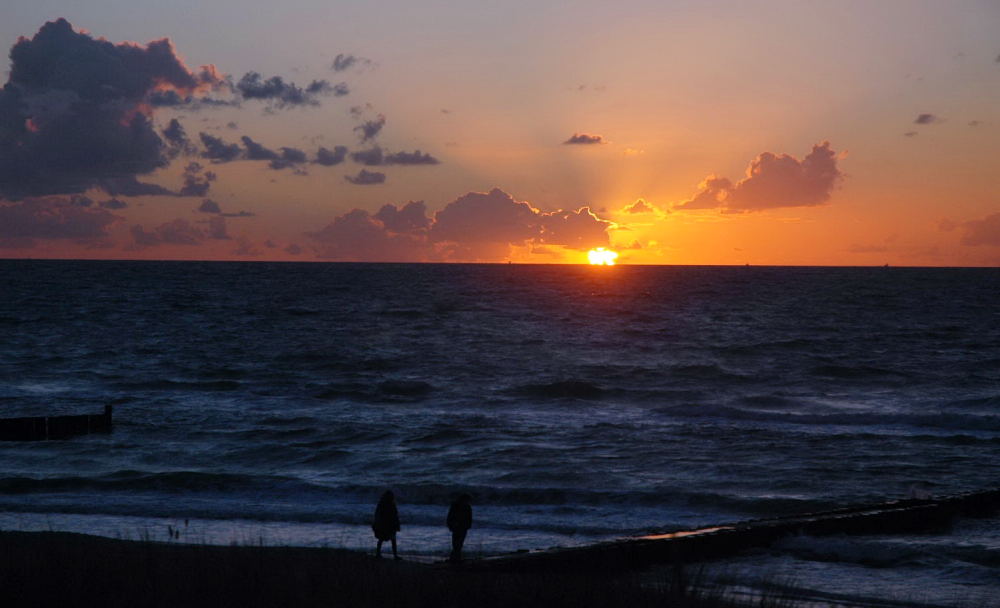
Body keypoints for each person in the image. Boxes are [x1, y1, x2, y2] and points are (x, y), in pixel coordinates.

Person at [372, 490, 401, 560]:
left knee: (384, 539)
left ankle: (378, 553)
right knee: (391, 539)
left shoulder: (383, 503)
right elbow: (395, 515)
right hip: (387, 524)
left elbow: (377, 515)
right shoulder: (388, 504)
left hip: (387, 524)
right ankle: (394, 555)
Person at [446, 493, 472, 562]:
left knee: (458, 544)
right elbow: (450, 516)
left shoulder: (467, 507)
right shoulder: (456, 506)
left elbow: (469, 518)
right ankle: (455, 558)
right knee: (457, 544)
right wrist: (450, 525)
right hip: (457, 527)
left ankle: (455, 558)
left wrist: (468, 525)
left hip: (462, 527)